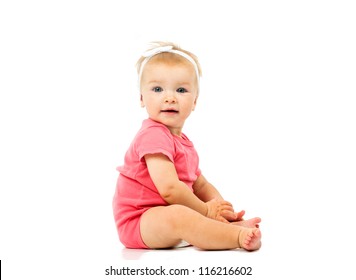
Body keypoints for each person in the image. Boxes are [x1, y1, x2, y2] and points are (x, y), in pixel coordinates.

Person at [113, 41, 262, 251]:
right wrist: (206, 210)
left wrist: (220, 209)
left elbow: (200, 185)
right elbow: (170, 190)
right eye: (157, 89)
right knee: (179, 214)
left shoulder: (183, 143)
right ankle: (236, 237)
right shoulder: (152, 135)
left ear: (194, 102)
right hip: (139, 220)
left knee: (185, 214)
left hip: (168, 216)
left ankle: (228, 227)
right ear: (141, 98)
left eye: (181, 90)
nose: (170, 98)